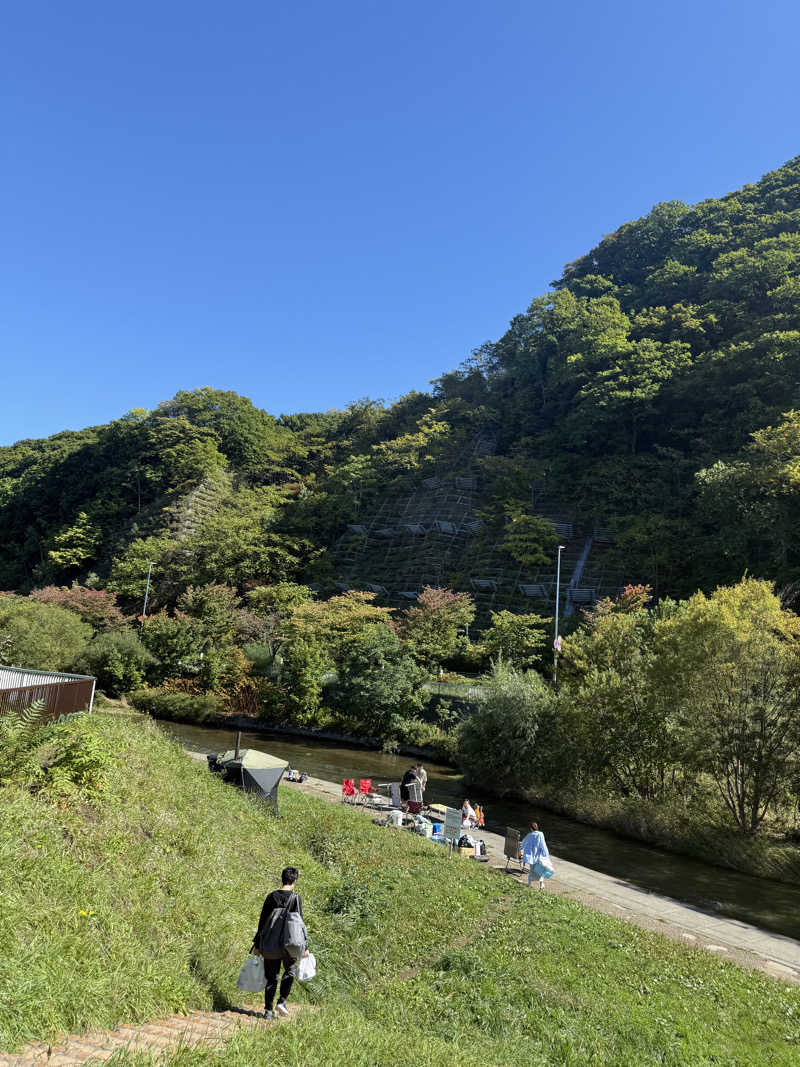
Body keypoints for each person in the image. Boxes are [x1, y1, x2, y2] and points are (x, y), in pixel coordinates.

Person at [252, 865, 309, 1019]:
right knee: (289, 972)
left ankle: (268, 1011)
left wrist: (257, 945)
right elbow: (299, 923)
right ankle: (281, 1001)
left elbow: (262, 922)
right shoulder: (296, 898)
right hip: (290, 944)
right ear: (295, 880)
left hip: (270, 944)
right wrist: (305, 947)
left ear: (282, 878)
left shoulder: (271, 897)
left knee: (271, 977)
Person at [520, 821, 551, 889]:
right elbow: (543, 845)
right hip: (539, 856)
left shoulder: (530, 835)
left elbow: (523, 842)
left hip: (531, 856)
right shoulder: (541, 834)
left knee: (531, 870)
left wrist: (520, 848)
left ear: (531, 829)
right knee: (540, 870)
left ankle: (529, 884)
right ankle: (541, 885)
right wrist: (546, 854)